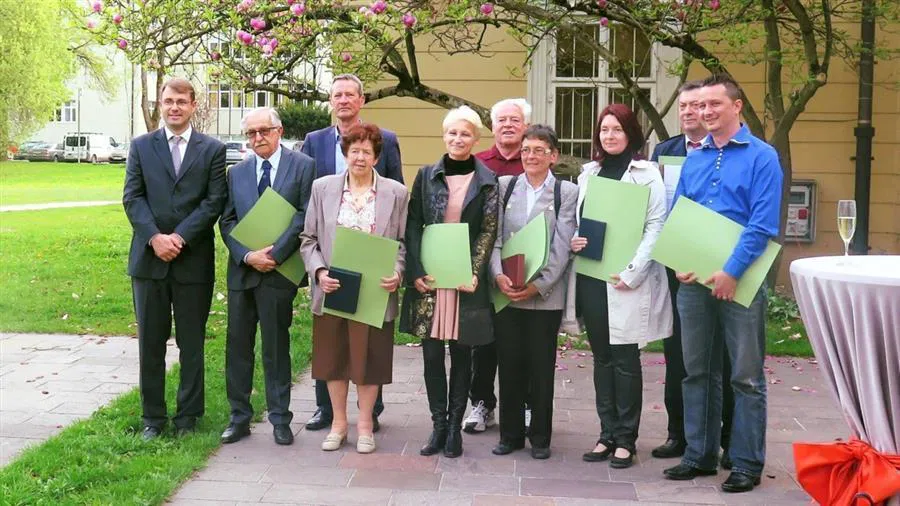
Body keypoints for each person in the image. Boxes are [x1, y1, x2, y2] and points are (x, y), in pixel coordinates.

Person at [663, 74, 782, 494]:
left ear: (737, 107)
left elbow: (762, 224)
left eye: (715, 104)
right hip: (693, 282)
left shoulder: (762, 157)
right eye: (701, 106)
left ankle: (746, 462)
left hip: (741, 281)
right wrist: (677, 260)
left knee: (745, 377)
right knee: (696, 370)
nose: (706, 112)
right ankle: (699, 454)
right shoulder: (694, 157)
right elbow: (680, 213)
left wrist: (731, 272)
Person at [568, 104, 672, 469]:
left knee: (626, 359)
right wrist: (576, 240)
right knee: (601, 358)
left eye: (617, 129)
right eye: (604, 129)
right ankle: (606, 433)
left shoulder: (646, 175)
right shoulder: (588, 174)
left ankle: (626, 439)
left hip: (626, 279)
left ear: (631, 134)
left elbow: (656, 226)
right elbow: (583, 223)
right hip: (594, 277)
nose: (609, 136)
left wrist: (632, 272)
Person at [123, 77, 227, 440]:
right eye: (168, 101)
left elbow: (214, 202)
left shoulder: (212, 149)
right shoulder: (141, 146)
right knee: (150, 342)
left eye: (181, 101)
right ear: (161, 104)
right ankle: (153, 417)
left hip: (192, 260)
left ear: (193, 104)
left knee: (192, 342)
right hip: (148, 262)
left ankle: (188, 417)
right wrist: (154, 237)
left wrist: (179, 237)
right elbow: (132, 198)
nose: (174, 107)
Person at [301, 74, 404, 432]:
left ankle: (367, 419)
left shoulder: (393, 189)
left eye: (350, 94)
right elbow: (310, 233)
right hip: (334, 277)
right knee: (334, 355)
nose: (360, 156)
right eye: (337, 95)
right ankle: (334, 419)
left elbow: (400, 234)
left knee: (369, 355)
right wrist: (317, 273)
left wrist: (398, 271)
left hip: (375, 280)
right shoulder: (320, 171)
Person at [400, 106, 499, 459]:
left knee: (462, 355)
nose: (459, 139)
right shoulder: (426, 175)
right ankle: (438, 425)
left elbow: (489, 229)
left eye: (466, 134)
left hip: (463, 282)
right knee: (430, 355)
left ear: (476, 139)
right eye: (453, 133)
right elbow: (412, 225)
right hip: (430, 278)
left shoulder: (488, 181)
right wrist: (415, 271)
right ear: (444, 136)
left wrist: (473, 271)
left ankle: (455, 428)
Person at [217, 107, 316, 446]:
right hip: (243, 273)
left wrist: (274, 253)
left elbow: (305, 214)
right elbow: (226, 221)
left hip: (278, 272)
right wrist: (247, 255)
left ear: (278, 130)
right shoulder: (237, 173)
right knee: (238, 347)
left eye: (263, 131)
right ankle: (239, 417)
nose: (257, 138)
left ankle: (279, 419)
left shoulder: (303, 166)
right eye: (251, 133)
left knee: (276, 347)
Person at [650, 81, 735, 464]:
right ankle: (679, 434)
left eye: (695, 106)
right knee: (680, 353)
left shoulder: (727, 153)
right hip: (677, 266)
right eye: (682, 106)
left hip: (723, 264)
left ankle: (729, 437)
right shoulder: (663, 152)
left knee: (727, 358)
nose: (688, 112)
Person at [490, 125, 577, 460]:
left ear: (553, 156)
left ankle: (540, 437)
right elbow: (495, 237)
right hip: (506, 293)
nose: (531, 156)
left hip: (544, 297)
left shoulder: (565, 193)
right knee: (508, 364)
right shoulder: (505, 186)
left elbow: (561, 249)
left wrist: (537, 286)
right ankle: (510, 435)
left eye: (539, 150)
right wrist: (498, 276)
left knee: (541, 369)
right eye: (526, 150)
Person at [464, 98, 531, 434]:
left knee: (522, 340)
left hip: (524, 264)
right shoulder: (478, 163)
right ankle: (482, 403)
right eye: (501, 119)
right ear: (492, 126)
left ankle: (526, 405)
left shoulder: (533, 160)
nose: (507, 125)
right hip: (483, 264)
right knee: (483, 339)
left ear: (525, 126)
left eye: (514, 120)